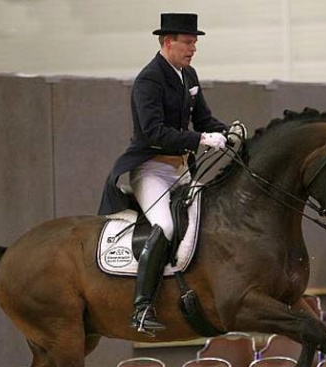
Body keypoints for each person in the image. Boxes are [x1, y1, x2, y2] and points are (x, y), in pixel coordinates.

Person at [98, 12, 242, 333]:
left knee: (209, 220)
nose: (193, 49)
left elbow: (204, 119)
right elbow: (153, 132)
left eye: (194, 43)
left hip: (181, 172)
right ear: (168, 42)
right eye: (188, 43)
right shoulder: (149, 80)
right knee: (163, 225)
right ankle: (142, 306)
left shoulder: (188, 75)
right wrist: (201, 139)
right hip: (150, 170)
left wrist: (226, 131)